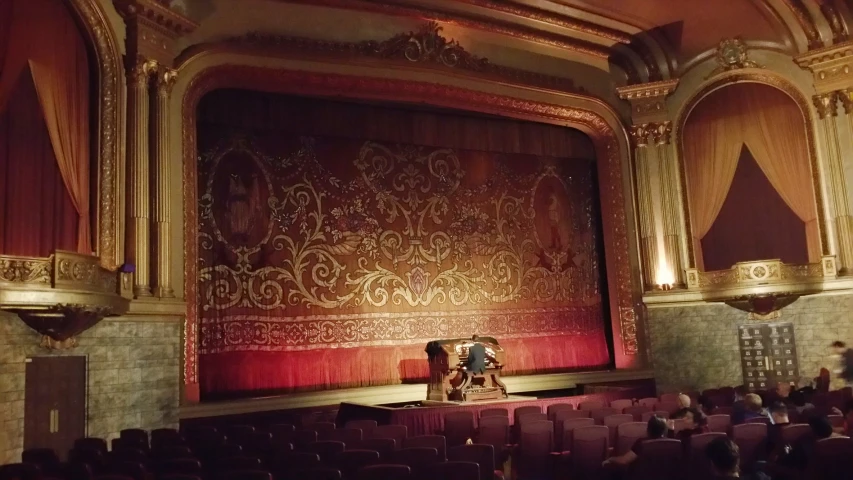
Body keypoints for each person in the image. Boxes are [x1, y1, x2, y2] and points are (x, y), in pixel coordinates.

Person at [603, 415, 668, 467]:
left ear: (649, 429)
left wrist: (611, 459)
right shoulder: (671, 443)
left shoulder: (642, 443)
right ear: (664, 430)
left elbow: (624, 460)